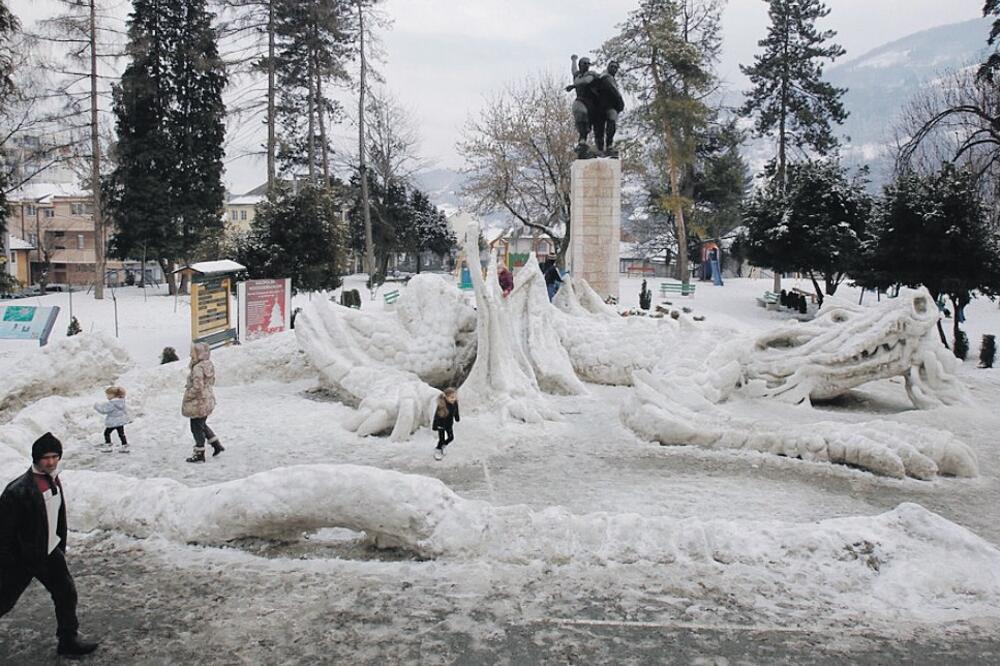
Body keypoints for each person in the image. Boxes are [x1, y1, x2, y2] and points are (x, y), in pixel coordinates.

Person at [0, 432, 100, 658]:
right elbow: (3, 533)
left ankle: (68, 641)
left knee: (66, 593)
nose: (52, 461)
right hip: (22, 559)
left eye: (55, 456)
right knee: (3, 601)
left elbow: (55, 517)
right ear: (36, 458)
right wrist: (10, 562)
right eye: (46, 457)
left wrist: (58, 547)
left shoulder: (53, 479)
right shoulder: (17, 490)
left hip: (48, 551)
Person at [182, 342, 224, 463]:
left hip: (198, 402)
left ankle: (199, 453)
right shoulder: (208, 364)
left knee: (196, 428)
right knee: (202, 424)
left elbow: (197, 386)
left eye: (192, 352)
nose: (190, 354)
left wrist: (189, 396)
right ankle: (216, 444)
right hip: (206, 399)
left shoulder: (198, 368)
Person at [566, 55, 600, 152]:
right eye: (584, 64)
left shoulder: (591, 74)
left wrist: (573, 86)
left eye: (588, 64)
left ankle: (597, 144)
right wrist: (573, 60)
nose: (586, 66)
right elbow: (573, 70)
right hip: (580, 100)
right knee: (580, 113)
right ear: (580, 65)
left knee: (591, 123)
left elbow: (585, 82)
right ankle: (582, 140)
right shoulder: (577, 75)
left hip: (592, 103)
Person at [94, 386, 130, 453]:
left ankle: (108, 445)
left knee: (106, 433)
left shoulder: (112, 404)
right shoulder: (121, 402)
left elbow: (104, 411)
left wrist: (97, 406)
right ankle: (125, 444)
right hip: (120, 422)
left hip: (113, 422)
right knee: (121, 434)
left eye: (108, 395)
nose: (107, 397)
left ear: (113, 395)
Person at [432, 388, 460, 461]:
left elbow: (456, 411)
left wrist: (457, 417)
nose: (453, 399)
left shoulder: (455, 403)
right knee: (441, 439)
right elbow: (436, 416)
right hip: (441, 425)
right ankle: (438, 450)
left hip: (449, 424)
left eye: (454, 397)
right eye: (451, 397)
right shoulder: (441, 405)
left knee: (451, 437)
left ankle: (443, 446)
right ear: (446, 397)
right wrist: (435, 426)